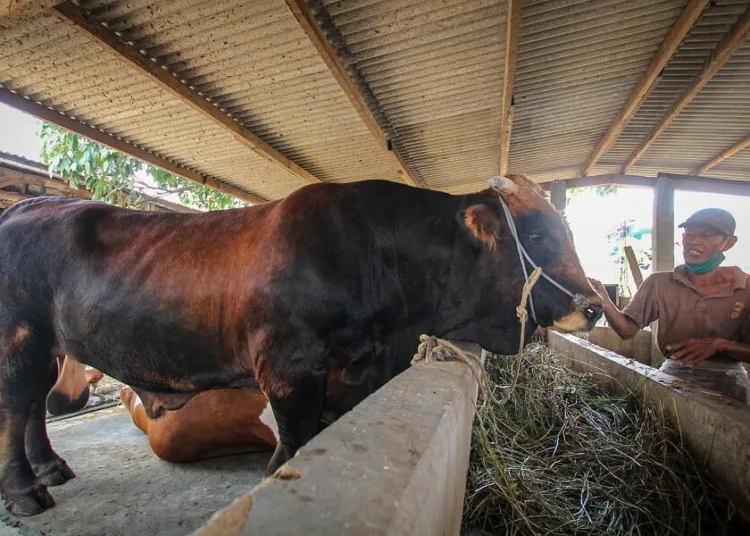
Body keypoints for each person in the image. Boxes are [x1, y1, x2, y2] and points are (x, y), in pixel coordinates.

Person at [589, 208, 750, 404]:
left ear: (729, 243)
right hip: (674, 374)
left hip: (729, 380)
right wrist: (603, 298)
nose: (694, 241)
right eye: (689, 234)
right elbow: (626, 330)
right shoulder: (659, 283)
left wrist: (720, 345)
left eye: (706, 235)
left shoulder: (745, 288)